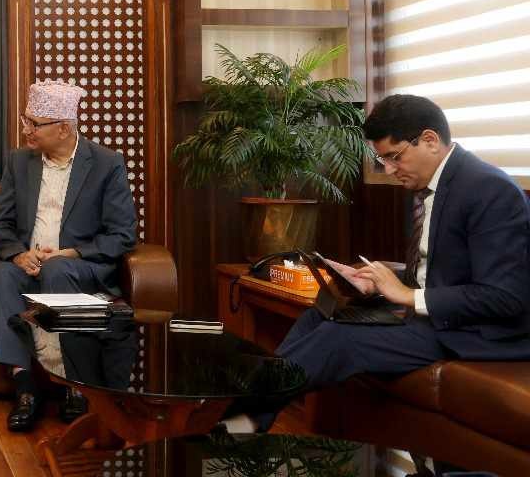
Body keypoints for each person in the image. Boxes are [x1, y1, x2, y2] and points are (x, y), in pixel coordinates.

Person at [222, 94, 530, 435]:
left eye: (394, 157)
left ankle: (235, 425)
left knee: (339, 338)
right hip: (435, 317)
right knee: (321, 312)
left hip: (475, 332)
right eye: (383, 160)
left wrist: (407, 295)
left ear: (429, 140)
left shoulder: (489, 190)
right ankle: (246, 416)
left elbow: (505, 296)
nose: (390, 170)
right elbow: (437, 271)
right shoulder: (432, 185)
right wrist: (375, 282)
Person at [0, 79, 138, 431]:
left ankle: (75, 386)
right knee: (0, 275)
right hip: (28, 263)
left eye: (34, 124)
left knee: (58, 271)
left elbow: (122, 234)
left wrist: (72, 252)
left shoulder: (106, 164)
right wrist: (18, 254)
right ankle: (25, 388)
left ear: (64, 128)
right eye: (25, 120)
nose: (26, 129)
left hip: (78, 266)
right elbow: (2, 223)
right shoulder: (19, 162)